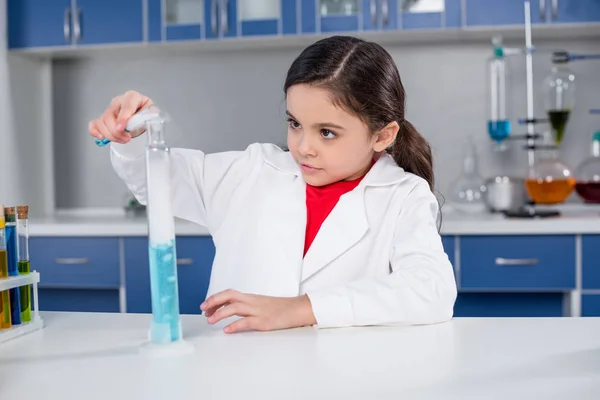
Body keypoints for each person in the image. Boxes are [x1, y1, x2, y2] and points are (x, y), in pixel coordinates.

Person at [88, 35, 457, 334]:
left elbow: (431, 290)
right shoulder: (252, 172)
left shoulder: (403, 196)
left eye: (327, 132)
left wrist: (301, 309)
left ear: (383, 135)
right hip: (235, 377)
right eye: (295, 123)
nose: (303, 147)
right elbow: (159, 179)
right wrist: (132, 133)